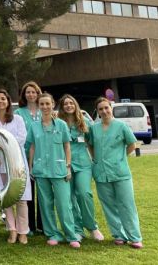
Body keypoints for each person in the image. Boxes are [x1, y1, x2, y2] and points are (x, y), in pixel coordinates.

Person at [27, 93, 80, 248]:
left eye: (47, 104)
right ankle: (52, 233)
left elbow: (67, 146)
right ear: (38, 106)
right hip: (40, 170)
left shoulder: (61, 125)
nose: (45, 107)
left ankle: (71, 235)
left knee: (64, 204)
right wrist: (31, 166)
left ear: (53, 104)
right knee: (45, 204)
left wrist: (68, 166)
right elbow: (32, 146)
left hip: (59, 169)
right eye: (42, 104)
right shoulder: (34, 126)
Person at [88, 97, 143, 249]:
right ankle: (118, 235)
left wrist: (120, 157)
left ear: (111, 108)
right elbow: (90, 145)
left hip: (120, 172)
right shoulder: (94, 128)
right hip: (101, 173)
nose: (104, 111)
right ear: (97, 112)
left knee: (127, 204)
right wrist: (96, 159)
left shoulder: (121, 126)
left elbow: (132, 144)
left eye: (106, 107)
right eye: (101, 109)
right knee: (109, 205)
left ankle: (135, 237)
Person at [57, 94, 104, 242]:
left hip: (83, 163)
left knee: (84, 194)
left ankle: (92, 227)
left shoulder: (84, 122)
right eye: (65, 104)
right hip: (65, 164)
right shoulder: (58, 123)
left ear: (75, 105)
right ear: (62, 107)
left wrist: (95, 160)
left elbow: (90, 143)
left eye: (71, 103)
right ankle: (77, 229)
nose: (69, 106)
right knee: (69, 197)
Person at [0, 89, 31, 244]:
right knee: (6, 198)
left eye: (3, 99)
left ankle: (23, 232)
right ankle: (12, 230)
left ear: (8, 101)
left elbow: (21, 138)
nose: (0, 101)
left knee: (21, 199)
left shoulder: (17, 119)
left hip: (16, 163)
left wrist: (3, 145)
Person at [14, 80, 44, 236]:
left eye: (33, 92)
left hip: (44, 156)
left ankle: (43, 225)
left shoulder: (45, 110)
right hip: (25, 157)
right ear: (24, 95)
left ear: (38, 93)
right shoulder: (19, 113)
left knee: (44, 192)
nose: (31, 94)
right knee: (28, 192)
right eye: (28, 92)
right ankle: (30, 225)